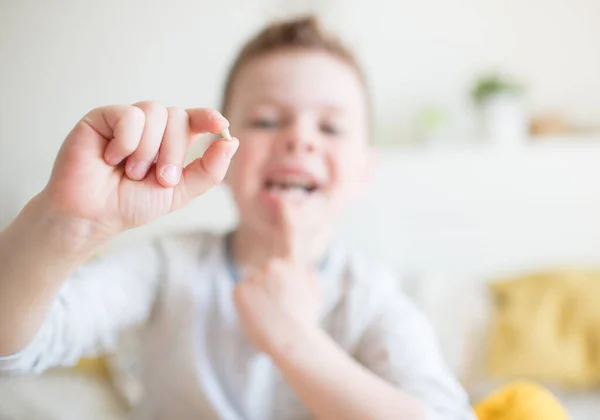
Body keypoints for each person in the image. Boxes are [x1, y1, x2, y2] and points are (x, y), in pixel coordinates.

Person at [0, 15, 476, 420]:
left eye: (330, 127)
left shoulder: (373, 297)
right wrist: (66, 225)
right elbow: (15, 348)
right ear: (220, 154)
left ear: (363, 171)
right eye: (267, 120)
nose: (299, 140)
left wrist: (294, 341)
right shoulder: (167, 266)